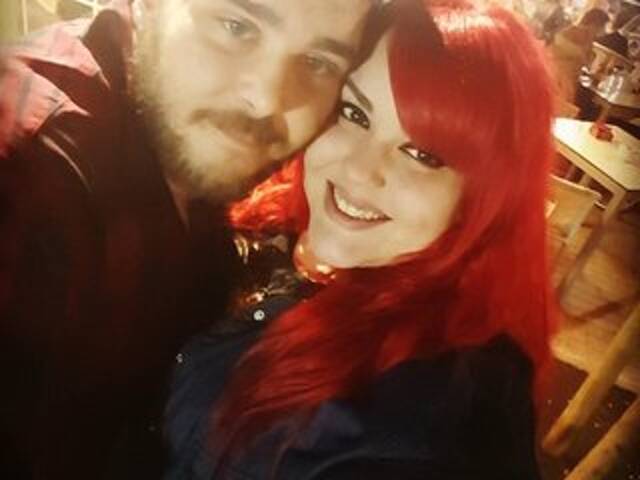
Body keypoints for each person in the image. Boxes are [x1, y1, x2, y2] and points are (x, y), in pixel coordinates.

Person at [164, 0, 557, 478]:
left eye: (422, 154)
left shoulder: (431, 419)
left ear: (483, 198)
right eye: (355, 113)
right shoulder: (276, 214)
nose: (357, 170)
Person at [0, 0, 373, 478]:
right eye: (236, 26)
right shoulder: (34, 176)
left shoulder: (194, 144)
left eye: (319, 62)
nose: (267, 99)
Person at [548, 8, 610, 103]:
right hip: (560, 79)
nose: (604, 31)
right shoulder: (579, 32)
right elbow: (583, 59)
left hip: (561, 77)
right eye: (603, 27)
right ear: (595, 24)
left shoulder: (582, 34)